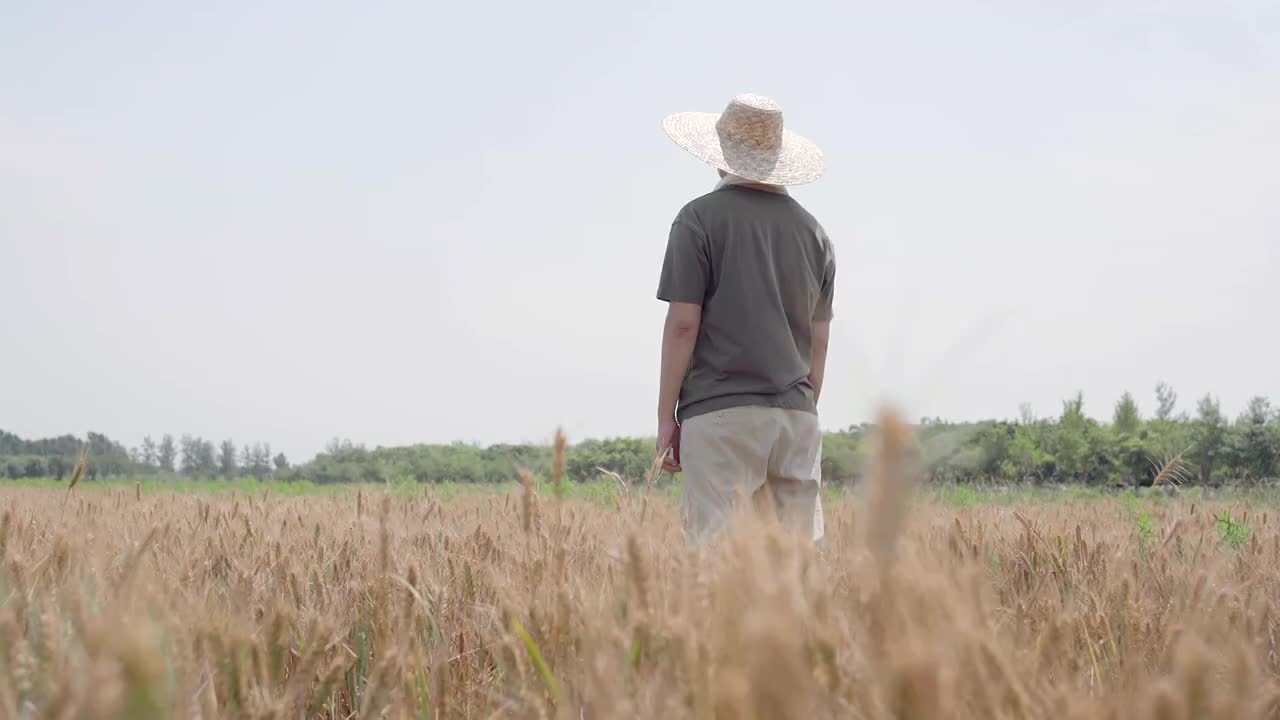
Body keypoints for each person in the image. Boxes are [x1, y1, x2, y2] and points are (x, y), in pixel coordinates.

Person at [655, 93, 835, 546]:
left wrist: (666, 417)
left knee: (712, 566)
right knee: (794, 566)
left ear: (720, 156)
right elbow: (820, 341)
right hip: (797, 416)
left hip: (721, 414)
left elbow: (682, 325)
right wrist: (800, 404)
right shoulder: (815, 233)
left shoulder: (698, 219)